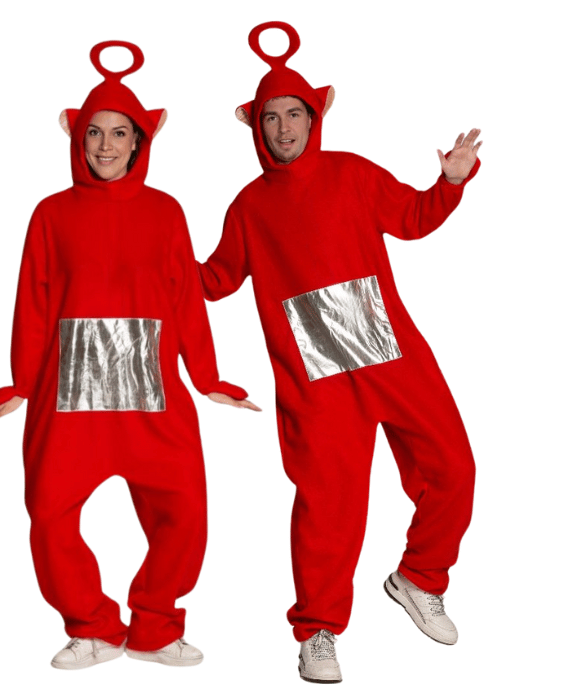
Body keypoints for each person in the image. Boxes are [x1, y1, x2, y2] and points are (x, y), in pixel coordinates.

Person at [197, 22, 481, 684]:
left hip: (390, 351)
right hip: (314, 373)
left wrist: (448, 183)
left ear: (314, 117)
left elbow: (411, 218)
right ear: (256, 129)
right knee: (327, 506)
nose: (284, 128)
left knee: (454, 466)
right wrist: (154, 258)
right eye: (270, 118)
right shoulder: (249, 207)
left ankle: (420, 577)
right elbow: (214, 278)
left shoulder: (350, 173)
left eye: (294, 114)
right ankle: (317, 629)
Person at [0, 40, 258, 671]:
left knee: (185, 511)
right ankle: (92, 627)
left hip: (151, 392)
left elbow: (185, 298)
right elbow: (32, 301)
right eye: (94, 133)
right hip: (68, 397)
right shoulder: (51, 214)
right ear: (78, 140)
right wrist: (21, 382)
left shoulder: (165, 211)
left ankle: (155, 626)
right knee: (49, 514)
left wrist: (206, 376)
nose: (105, 146)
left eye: (119, 133)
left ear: (139, 142)